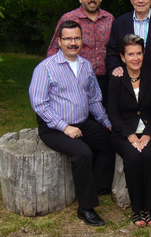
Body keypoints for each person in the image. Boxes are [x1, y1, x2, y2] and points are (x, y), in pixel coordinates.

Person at [29, 20, 115, 226]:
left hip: (82, 122)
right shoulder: (46, 68)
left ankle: (97, 185)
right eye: (67, 39)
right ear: (59, 41)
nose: (72, 42)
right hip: (54, 128)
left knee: (111, 141)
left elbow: (94, 98)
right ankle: (85, 207)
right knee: (83, 152)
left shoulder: (86, 66)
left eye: (76, 38)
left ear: (82, 40)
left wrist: (106, 122)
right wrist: (64, 127)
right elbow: (39, 104)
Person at [106, 0, 151, 179]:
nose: (140, 0)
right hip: (129, 82)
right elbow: (112, 52)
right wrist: (115, 69)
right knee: (129, 118)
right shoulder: (120, 22)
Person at [108, 34, 151, 227]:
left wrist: (147, 134)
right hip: (124, 132)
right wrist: (130, 135)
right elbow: (113, 114)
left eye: (138, 53)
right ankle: (137, 208)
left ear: (144, 54)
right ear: (122, 57)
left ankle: (149, 207)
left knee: (149, 156)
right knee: (132, 158)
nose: (135, 58)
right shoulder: (116, 79)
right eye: (130, 54)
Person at [47, 0, 114, 107]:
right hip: (74, 82)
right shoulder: (68, 19)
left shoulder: (109, 19)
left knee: (103, 120)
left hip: (104, 82)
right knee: (79, 120)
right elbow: (53, 50)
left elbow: (114, 49)